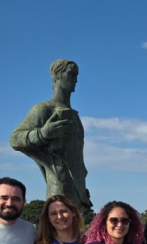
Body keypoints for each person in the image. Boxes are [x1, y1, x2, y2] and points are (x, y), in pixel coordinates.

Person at [9, 59, 91, 215]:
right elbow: (15, 139)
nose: (76, 80)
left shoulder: (75, 117)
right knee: (59, 223)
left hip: (77, 191)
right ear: (56, 76)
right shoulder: (43, 109)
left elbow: (76, 159)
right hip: (58, 186)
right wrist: (43, 133)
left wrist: (81, 188)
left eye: (76, 75)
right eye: (71, 74)